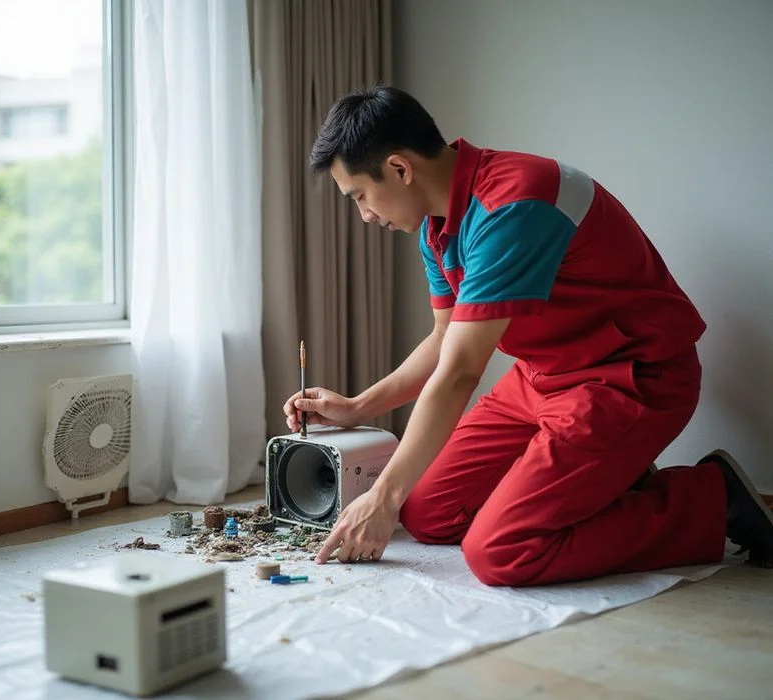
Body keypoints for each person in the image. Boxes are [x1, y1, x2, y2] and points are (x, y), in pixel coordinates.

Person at [282, 86, 773, 586]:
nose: (365, 215)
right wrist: (359, 406)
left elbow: (459, 372)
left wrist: (381, 499)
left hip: (628, 377)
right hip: (540, 378)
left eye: (360, 197)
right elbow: (444, 340)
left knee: (500, 551)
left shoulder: (514, 203)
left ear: (400, 169)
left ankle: (713, 499)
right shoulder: (435, 222)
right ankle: (611, 481)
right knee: (428, 513)